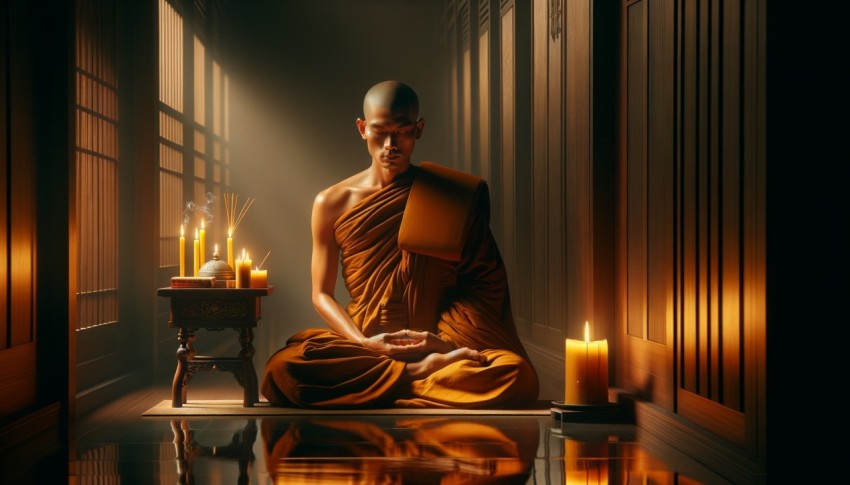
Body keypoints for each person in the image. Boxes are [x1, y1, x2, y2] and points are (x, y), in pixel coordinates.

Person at [260, 80, 539, 408]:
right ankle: (420, 375)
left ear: (418, 130)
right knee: (283, 370)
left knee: (516, 373)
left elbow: (484, 282)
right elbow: (321, 293)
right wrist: (366, 344)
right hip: (365, 340)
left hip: (435, 338)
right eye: (380, 131)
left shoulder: (447, 195)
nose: (391, 144)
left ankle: (395, 378)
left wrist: (443, 343)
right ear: (362, 128)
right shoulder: (331, 202)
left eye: (402, 132)